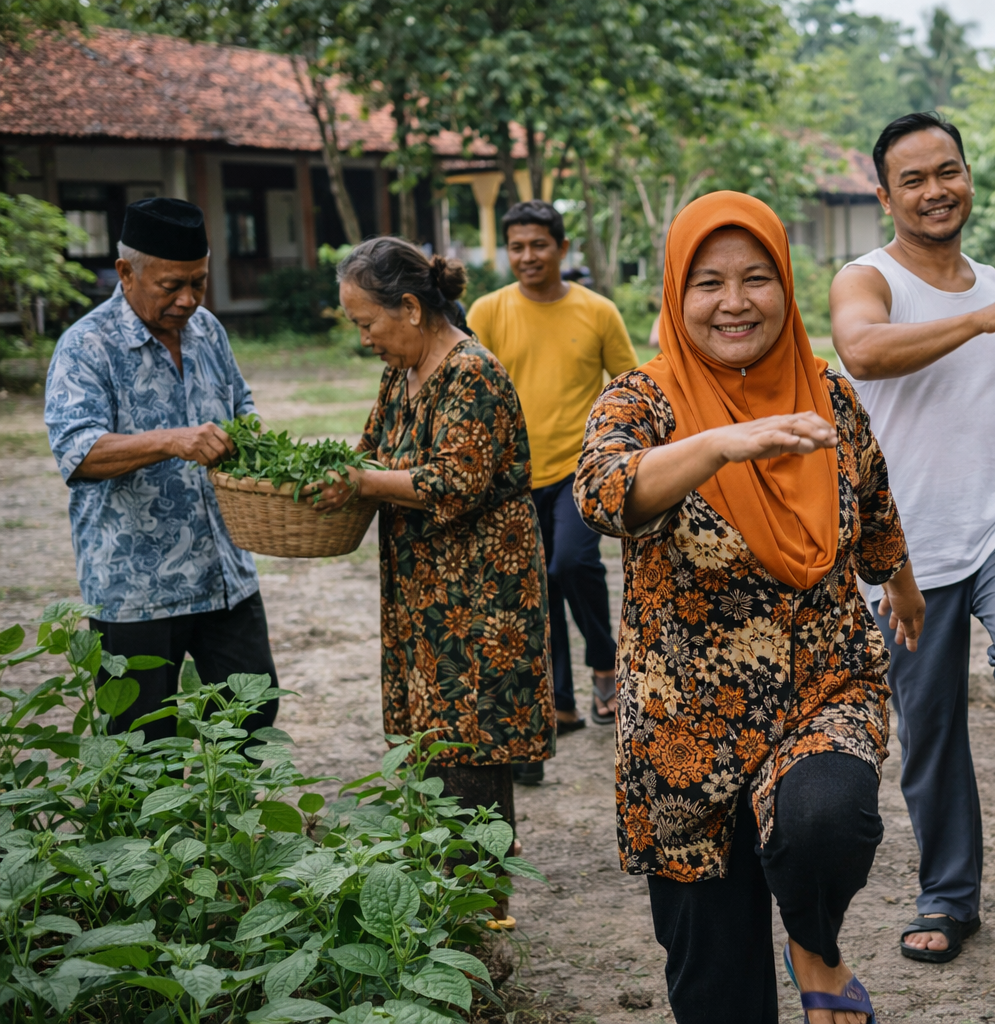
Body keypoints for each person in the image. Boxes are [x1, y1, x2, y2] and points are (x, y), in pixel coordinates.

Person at [575, 191, 922, 1024]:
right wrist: (716, 444)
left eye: (757, 278)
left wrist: (901, 581)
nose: (735, 302)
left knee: (827, 823)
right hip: (685, 729)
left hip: (822, 692)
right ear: (675, 294)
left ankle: (815, 942)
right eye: (709, 283)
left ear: (786, 285)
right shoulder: (641, 401)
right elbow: (602, 491)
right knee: (716, 986)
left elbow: (871, 502)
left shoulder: (829, 396)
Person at [829, 112, 995, 966]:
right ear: (884, 194)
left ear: (969, 175)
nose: (937, 190)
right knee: (928, 727)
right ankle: (949, 894)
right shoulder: (868, 278)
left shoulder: (991, 278)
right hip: (908, 544)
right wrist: (980, 319)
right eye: (915, 179)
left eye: (950, 171)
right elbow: (860, 354)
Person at [314, 238, 554, 878]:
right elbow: (371, 450)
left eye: (367, 322)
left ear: (412, 309)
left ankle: (484, 902)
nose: (364, 337)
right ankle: (451, 892)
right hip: (426, 592)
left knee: (472, 745)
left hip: (480, 598)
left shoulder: (469, 372)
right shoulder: (402, 370)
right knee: (434, 744)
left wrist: (363, 482)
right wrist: (338, 474)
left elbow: (457, 480)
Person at [44, 197, 278, 738]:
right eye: (171, 285)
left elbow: (242, 405)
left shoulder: (209, 331)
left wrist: (257, 443)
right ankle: (159, 827)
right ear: (126, 272)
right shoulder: (85, 346)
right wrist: (171, 440)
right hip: (136, 591)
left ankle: (222, 822)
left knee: (254, 712)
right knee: (142, 741)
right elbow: (78, 453)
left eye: (198, 282)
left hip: (225, 573)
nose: (188, 299)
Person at [468, 200, 634, 754]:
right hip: (514, 475)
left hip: (580, 468)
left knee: (571, 561)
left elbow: (629, 386)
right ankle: (559, 699)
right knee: (539, 584)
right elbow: (473, 392)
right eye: (516, 246)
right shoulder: (488, 312)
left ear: (562, 249)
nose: (527, 256)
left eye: (539, 245)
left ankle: (605, 661)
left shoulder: (597, 311)